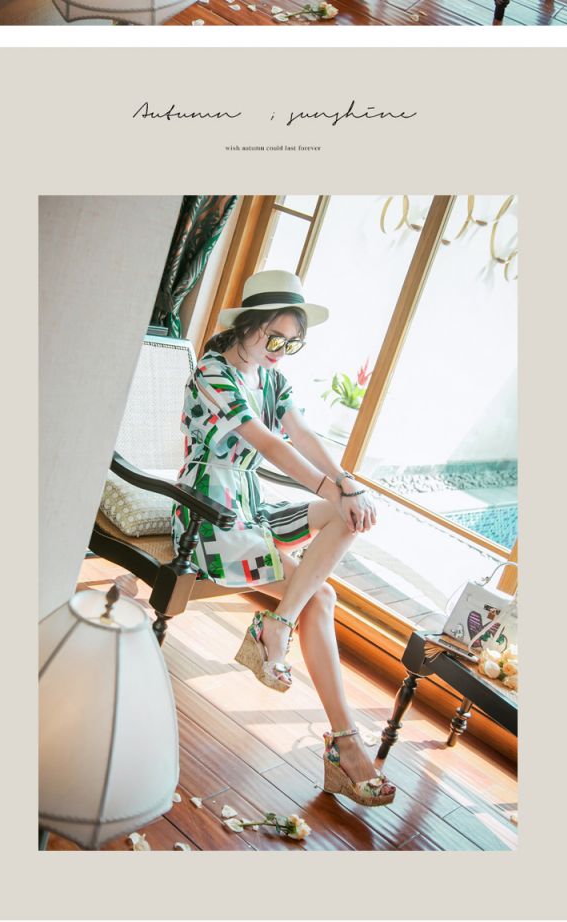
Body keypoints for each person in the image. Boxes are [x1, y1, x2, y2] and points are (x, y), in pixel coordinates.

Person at [172, 269, 395, 807]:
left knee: (347, 517)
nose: (281, 351)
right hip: (210, 509)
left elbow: (304, 434)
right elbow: (270, 445)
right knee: (324, 595)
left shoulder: (272, 380)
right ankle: (345, 745)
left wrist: (347, 485)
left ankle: (276, 626)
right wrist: (333, 488)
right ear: (248, 324)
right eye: (275, 337)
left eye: (292, 343)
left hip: (252, 504)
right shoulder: (213, 371)